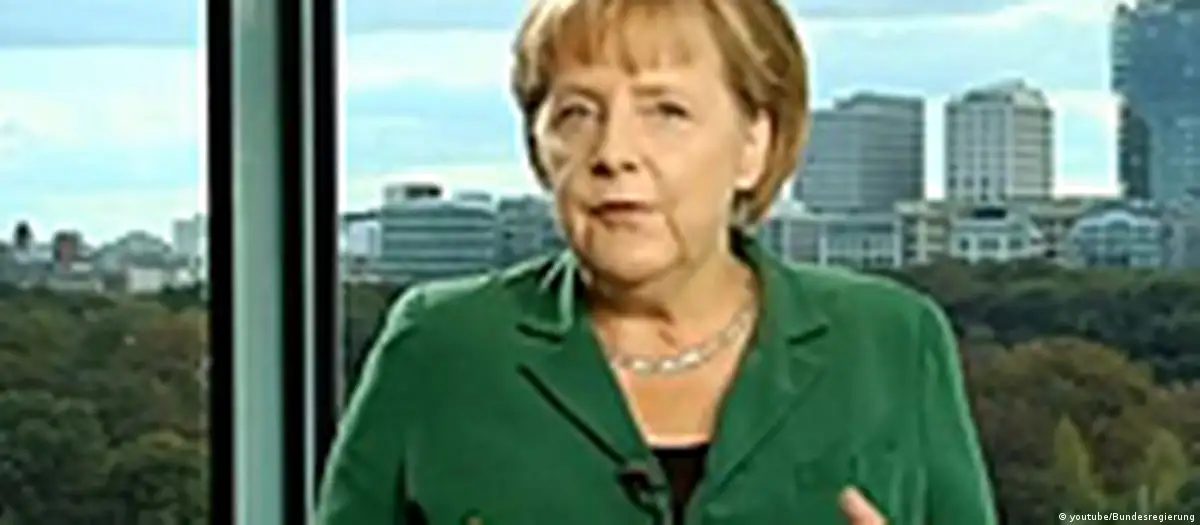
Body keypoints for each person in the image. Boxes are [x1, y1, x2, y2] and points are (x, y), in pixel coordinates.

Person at [315, 0, 998, 523]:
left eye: (665, 111)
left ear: (754, 143)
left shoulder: (891, 340)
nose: (613, 152)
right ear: (540, 148)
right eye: (577, 113)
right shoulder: (440, 345)